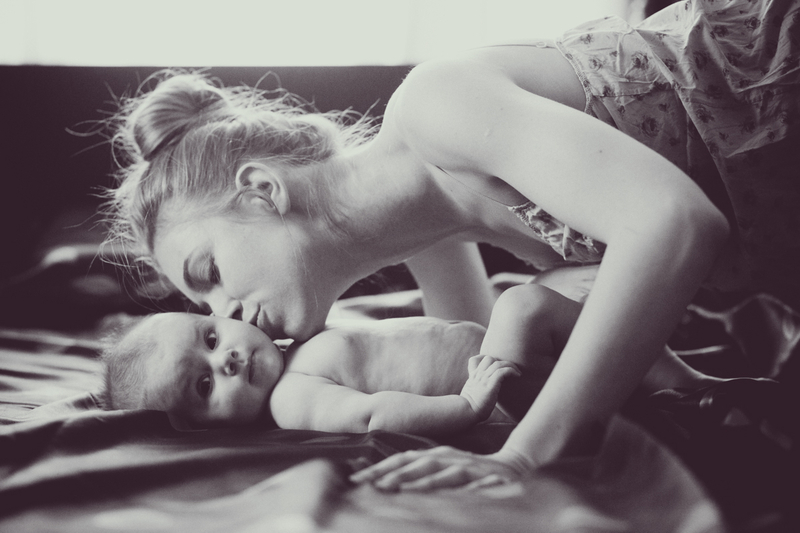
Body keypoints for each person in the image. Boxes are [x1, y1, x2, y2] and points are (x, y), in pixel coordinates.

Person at [103, 0, 799, 489]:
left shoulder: (438, 106)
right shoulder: (424, 231)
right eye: (203, 307)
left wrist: (522, 457)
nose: (225, 312)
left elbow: (675, 223)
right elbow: (485, 368)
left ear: (261, 189)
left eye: (209, 273)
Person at [100, 283, 720, 435]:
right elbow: (372, 414)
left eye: (210, 339)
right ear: (206, 428)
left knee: (571, 303)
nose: (228, 361)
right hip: (503, 392)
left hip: (507, 368)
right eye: (204, 386)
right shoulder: (292, 400)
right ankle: (687, 385)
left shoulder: (293, 349)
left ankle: (691, 383)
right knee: (524, 305)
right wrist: (466, 407)